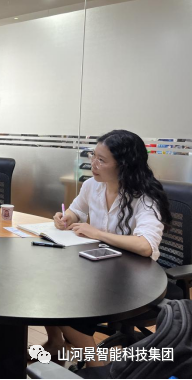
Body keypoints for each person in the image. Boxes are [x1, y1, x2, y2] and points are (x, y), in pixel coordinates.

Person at [41, 130, 173, 368]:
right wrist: (65, 217)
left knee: (66, 304)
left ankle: (98, 368)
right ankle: (55, 343)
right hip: (101, 267)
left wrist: (97, 233)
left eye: (102, 160)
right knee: (48, 284)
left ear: (124, 166)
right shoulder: (92, 185)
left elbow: (145, 245)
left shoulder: (144, 197)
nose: (93, 163)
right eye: (94, 155)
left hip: (135, 277)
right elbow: (76, 210)